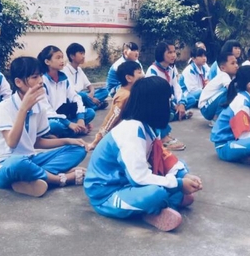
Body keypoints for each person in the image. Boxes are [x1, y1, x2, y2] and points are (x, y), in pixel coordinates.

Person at [84, 76, 203, 232]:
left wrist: (183, 175)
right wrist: (179, 184)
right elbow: (138, 178)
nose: (170, 104)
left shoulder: (148, 126)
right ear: (156, 104)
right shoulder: (131, 131)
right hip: (106, 194)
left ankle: (157, 205)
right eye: (168, 100)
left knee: (181, 169)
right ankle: (152, 210)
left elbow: (162, 157)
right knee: (156, 193)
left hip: (127, 182)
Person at [0, 57, 88, 197]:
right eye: (35, 77)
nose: (41, 80)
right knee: (18, 162)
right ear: (18, 82)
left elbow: (37, 142)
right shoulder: (5, 107)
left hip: (31, 160)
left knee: (78, 149)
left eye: (41, 75)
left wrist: (67, 141)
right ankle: (60, 179)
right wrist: (23, 109)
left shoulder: (39, 106)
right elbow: (11, 143)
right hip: (5, 165)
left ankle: (31, 179)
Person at [38, 45, 95, 138]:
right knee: (53, 125)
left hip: (65, 116)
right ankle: (75, 131)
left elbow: (75, 97)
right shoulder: (42, 81)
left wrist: (80, 119)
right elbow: (46, 110)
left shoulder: (64, 78)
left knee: (90, 112)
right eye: (58, 58)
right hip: (52, 119)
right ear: (47, 62)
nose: (62, 61)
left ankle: (65, 133)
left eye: (62, 57)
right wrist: (69, 123)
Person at [89, 60, 144, 150]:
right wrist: (97, 140)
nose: (143, 75)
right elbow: (112, 118)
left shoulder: (131, 92)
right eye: (139, 72)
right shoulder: (124, 96)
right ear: (129, 78)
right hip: (120, 136)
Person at [147, 42, 192, 152]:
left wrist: (181, 103)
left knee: (189, 99)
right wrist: (173, 104)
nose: (173, 55)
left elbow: (177, 89)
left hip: (167, 102)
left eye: (174, 52)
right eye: (169, 52)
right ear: (161, 54)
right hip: (153, 106)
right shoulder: (153, 71)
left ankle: (173, 116)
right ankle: (163, 137)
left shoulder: (170, 70)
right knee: (161, 104)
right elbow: (154, 96)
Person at [64, 43, 109, 111]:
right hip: (74, 97)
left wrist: (91, 94)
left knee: (105, 91)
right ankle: (96, 105)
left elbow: (90, 86)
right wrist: (91, 98)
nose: (83, 56)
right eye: (81, 53)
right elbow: (72, 93)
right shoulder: (65, 71)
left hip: (86, 96)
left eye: (83, 54)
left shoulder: (79, 69)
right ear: (72, 56)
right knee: (82, 95)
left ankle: (88, 105)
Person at [198, 52, 239, 123]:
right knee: (228, 91)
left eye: (236, 63)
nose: (236, 66)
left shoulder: (232, 77)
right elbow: (231, 88)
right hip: (206, 108)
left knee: (233, 90)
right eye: (232, 63)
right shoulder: (223, 75)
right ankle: (216, 119)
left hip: (210, 105)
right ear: (223, 68)